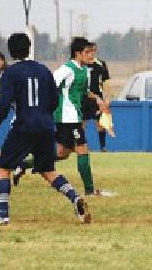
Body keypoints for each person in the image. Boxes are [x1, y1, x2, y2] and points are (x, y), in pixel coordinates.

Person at [0, 33, 91, 225]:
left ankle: (3, 216)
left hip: (24, 125)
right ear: (29, 48)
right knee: (48, 170)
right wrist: (44, 116)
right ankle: (75, 198)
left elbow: (3, 105)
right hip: (46, 125)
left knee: (3, 168)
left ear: (11, 51)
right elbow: (54, 100)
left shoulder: (10, 73)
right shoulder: (44, 70)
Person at [10, 38, 113, 197]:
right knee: (82, 150)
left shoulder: (85, 70)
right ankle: (90, 190)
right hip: (67, 117)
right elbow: (49, 83)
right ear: (77, 53)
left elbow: (84, 91)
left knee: (61, 153)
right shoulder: (67, 68)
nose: (90, 55)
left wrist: (98, 99)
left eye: (91, 52)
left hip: (74, 116)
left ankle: (23, 164)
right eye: (87, 52)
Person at [83, 42, 112, 152]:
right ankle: (83, 146)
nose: (91, 53)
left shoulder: (101, 64)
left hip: (98, 98)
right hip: (84, 97)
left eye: (93, 51)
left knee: (100, 123)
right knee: (82, 123)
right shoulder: (81, 64)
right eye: (88, 51)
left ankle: (103, 147)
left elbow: (106, 82)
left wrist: (107, 98)